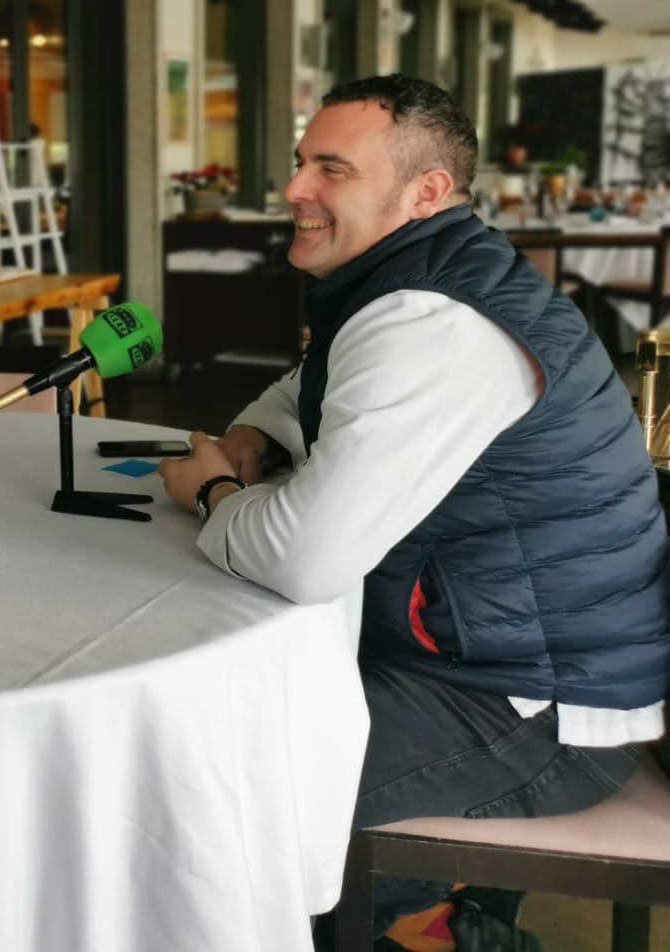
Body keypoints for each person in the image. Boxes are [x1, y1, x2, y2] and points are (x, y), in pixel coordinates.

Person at [156, 76, 670, 945]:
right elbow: (321, 383)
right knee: (210, 723)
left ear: (426, 191)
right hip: (501, 658)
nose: (293, 191)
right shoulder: (425, 275)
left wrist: (212, 490)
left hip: (537, 708)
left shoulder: (434, 319)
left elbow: (300, 558)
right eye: (299, 163)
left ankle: (450, 927)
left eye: (332, 169)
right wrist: (252, 435)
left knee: (214, 814)